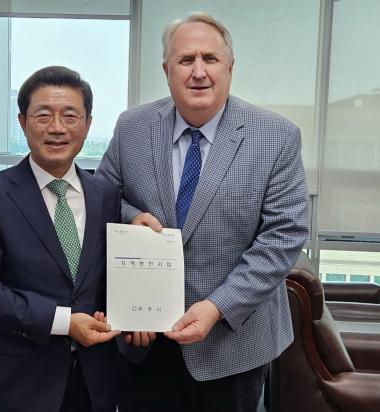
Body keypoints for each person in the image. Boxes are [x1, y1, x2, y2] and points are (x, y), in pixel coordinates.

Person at [96, 12, 309, 412]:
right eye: (186, 60)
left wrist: (218, 306)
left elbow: (284, 236)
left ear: (230, 67)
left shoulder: (276, 136)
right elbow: (100, 200)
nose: (198, 72)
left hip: (233, 342)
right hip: (144, 338)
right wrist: (129, 218)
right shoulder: (132, 127)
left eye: (210, 59)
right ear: (167, 70)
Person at [0, 66, 121, 412]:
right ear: (23, 122)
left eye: (70, 116)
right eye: (43, 115)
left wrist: (136, 320)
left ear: (88, 124)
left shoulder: (106, 195)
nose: (57, 127)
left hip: (94, 383)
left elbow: (108, 280)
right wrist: (64, 322)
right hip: (19, 384)